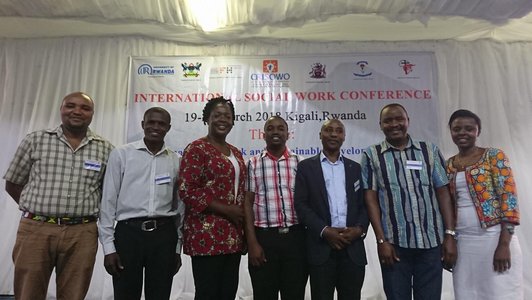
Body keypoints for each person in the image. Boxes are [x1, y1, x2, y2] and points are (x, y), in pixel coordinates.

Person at [3, 92, 114, 300]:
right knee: (28, 294)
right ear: (61, 109)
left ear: (92, 114)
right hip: (36, 230)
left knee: (74, 294)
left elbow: (107, 193)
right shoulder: (35, 140)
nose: (77, 111)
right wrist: (38, 210)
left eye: (85, 108)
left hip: (82, 233)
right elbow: (13, 183)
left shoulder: (106, 149)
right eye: (70, 106)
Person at [360, 103, 457, 300]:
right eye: (388, 120)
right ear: (380, 125)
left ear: (408, 122)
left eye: (399, 119)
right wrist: (381, 241)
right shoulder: (372, 155)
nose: (394, 124)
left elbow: (443, 193)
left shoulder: (428, 150)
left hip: (431, 244)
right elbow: (370, 200)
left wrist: (449, 234)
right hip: (394, 246)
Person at [98, 107, 184, 300]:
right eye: (151, 122)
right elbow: (108, 203)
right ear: (143, 125)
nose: (155, 127)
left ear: (168, 128)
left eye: (161, 124)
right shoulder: (121, 154)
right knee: (125, 294)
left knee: (160, 294)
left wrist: (177, 248)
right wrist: (109, 248)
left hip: (164, 237)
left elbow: (180, 207)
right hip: (128, 235)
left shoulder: (176, 160)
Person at [446, 109, 523, 300]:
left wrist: (504, 244)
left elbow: (509, 198)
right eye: (457, 129)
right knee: (467, 294)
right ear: (450, 132)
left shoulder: (494, 157)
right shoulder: (448, 164)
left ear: (478, 131)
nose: (462, 133)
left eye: (469, 129)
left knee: (501, 292)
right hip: (463, 242)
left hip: (495, 237)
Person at [178, 96, 246, 300]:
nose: (222, 119)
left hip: (233, 235)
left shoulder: (236, 152)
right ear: (207, 118)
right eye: (217, 115)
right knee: (208, 294)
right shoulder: (196, 148)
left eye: (227, 116)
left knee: (228, 294)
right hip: (205, 236)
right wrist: (227, 210)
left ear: (233, 121)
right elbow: (187, 189)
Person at [294, 119, 368, 300]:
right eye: (328, 130)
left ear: (344, 137)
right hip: (321, 249)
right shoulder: (306, 167)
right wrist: (325, 231)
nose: (333, 134)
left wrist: (359, 230)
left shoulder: (355, 168)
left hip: (352, 249)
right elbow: (301, 205)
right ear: (320, 135)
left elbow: (364, 205)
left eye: (338, 131)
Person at [244, 116, 308, 300]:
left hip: (295, 239)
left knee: (294, 294)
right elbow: (247, 203)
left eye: (281, 128)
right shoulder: (253, 163)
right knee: (264, 295)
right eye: (270, 128)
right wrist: (252, 242)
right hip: (264, 239)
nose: (276, 132)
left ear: (288, 134)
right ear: (264, 135)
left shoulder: (300, 163)